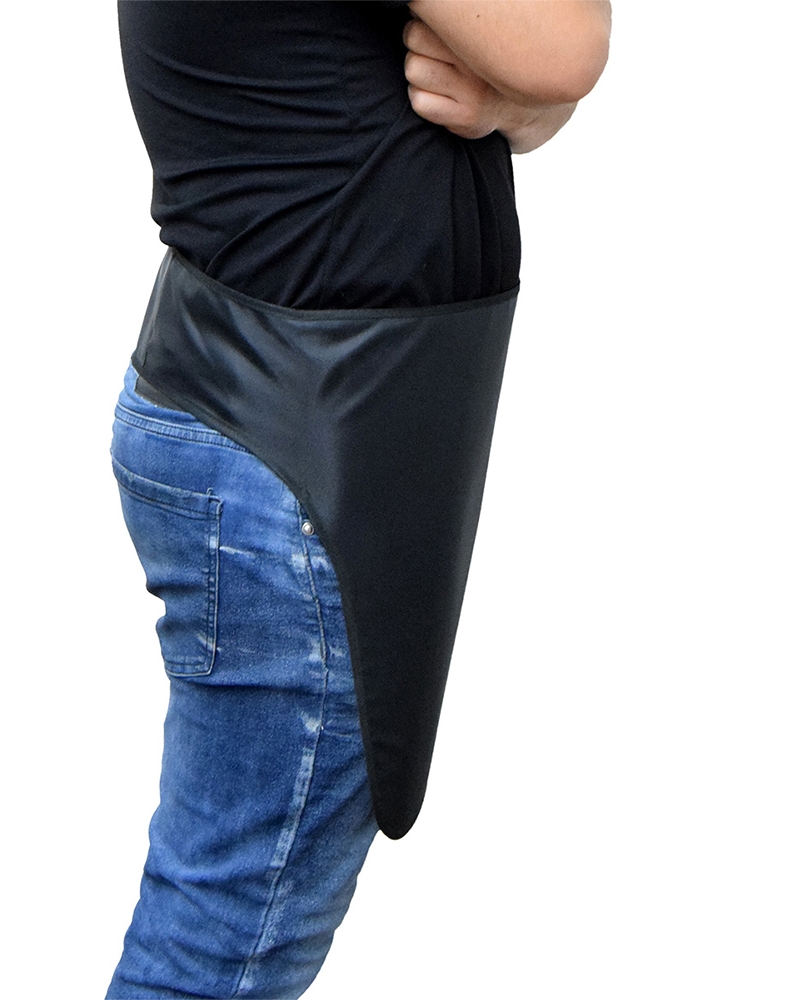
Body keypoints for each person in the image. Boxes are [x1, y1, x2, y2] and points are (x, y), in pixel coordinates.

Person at [106, 3, 611, 997]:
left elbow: (537, 73)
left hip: (283, 426)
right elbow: (567, 43)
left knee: (220, 925)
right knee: (220, 952)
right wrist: (534, 82)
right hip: (292, 450)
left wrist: (513, 104)